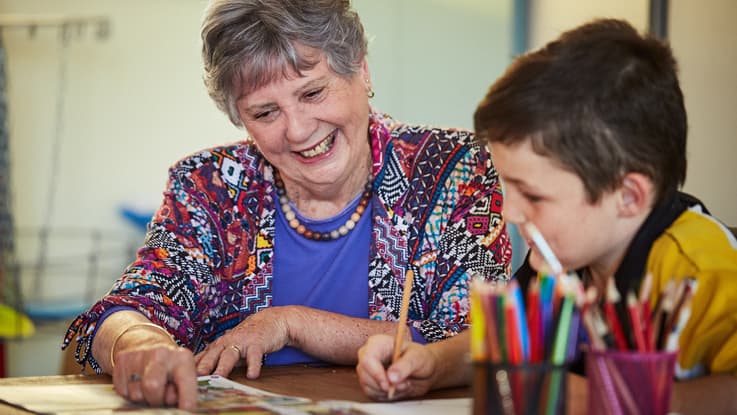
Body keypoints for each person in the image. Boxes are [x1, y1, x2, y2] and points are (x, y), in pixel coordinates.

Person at [61, 0, 512, 410]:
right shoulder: (210, 186)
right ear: (241, 118)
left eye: (313, 93)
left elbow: (480, 335)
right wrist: (139, 344)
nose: (297, 130)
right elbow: (126, 309)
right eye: (264, 112)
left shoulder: (451, 168)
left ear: (361, 71)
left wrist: (293, 324)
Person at [356, 18, 737, 414]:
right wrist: (432, 364)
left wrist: (613, 402)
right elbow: (504, 342)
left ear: (628, 196)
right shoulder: (561, 258)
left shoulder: (701, 267)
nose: (509, 213)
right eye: (507, 186)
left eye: (534, 196)